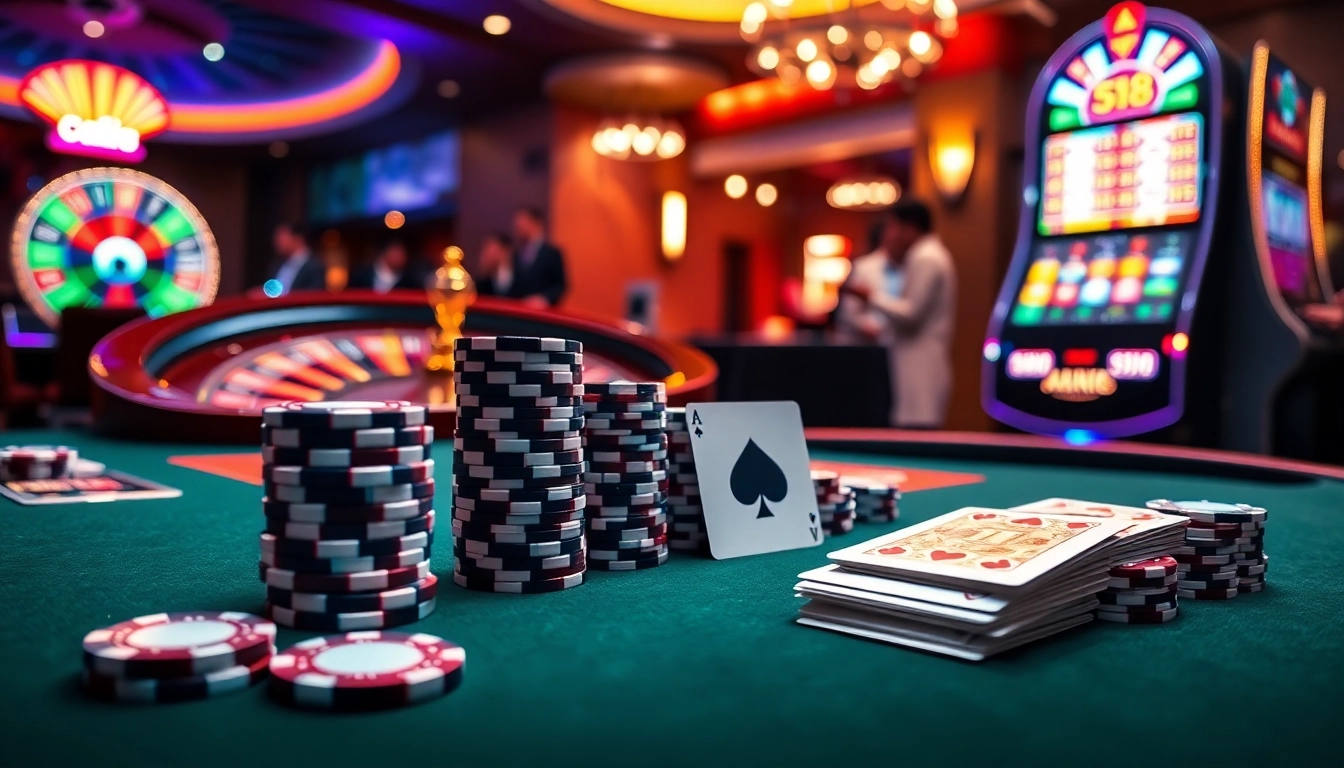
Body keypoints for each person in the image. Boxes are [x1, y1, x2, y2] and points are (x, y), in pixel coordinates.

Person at [839, 200, 957, 428]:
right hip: (909, 364)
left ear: (910, 228)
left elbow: (911, 314)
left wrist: (869, 296)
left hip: (920, 367)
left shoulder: (926, 257)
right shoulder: (925, 255)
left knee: (918, 437)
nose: (888, 234)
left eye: (892, 226)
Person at [477, 207, 567, 308]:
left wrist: (544, 298)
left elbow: (560, 285)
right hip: (519, 310)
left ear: (535, 222)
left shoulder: (552, 253)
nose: (517, 226)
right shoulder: (516, 254)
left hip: (544, 313)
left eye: (521, 222)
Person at [266, 222, 325, 295]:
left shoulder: (314, 267)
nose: (277, 241)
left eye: (282, 237)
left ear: (298, 238)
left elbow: (313, 296)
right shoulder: (277, 265)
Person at [348, 239, 423, 293]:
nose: (402, 257)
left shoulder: (409, 281)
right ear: (385, 252)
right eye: (397, 252)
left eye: (403, 253)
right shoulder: (361, 275)